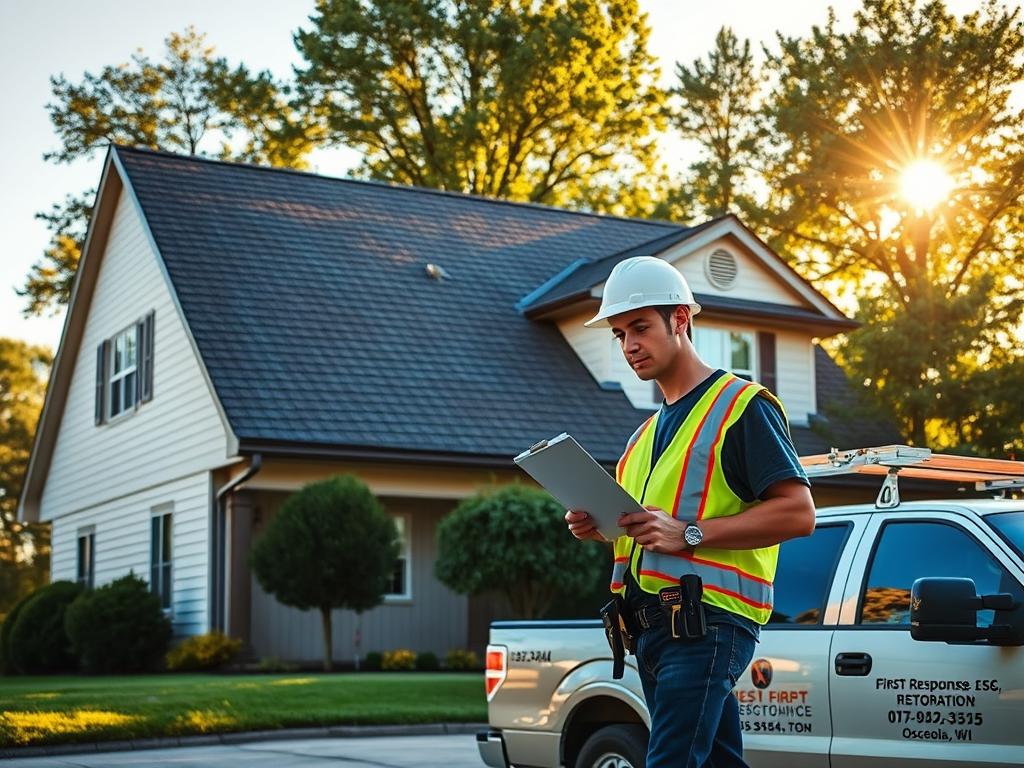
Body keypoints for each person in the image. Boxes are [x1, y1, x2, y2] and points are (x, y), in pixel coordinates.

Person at [564, 256, 816, 768]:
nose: (629, 344)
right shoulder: (641, 439)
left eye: (639, 327)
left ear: (680, 319)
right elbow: (649, 534)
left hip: (707, 626)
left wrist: (691, 534)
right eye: (619, 334)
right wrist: (602, 530)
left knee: (670, 760)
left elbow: (798, 514)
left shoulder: (741, 406)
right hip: (651, 634)